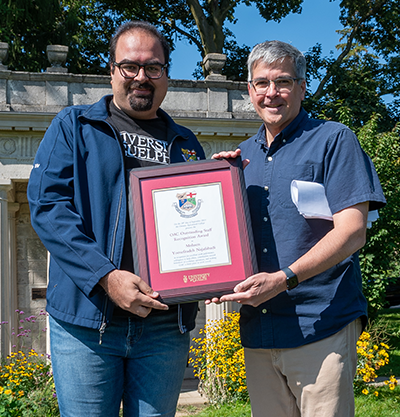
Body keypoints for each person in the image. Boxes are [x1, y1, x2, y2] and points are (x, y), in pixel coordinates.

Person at [28, 21, 205, 417]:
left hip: (164, 327)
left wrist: (227, 178)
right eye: (130, 66)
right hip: (89, 324)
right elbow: (47, 205)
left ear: (166, 75)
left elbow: (203, 217)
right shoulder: (74, 126)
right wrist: (106, 277)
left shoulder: (187, 144)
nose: (142, 77)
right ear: (112, 71)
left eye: (153, 67)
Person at [210, 40, 386, 417]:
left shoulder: (334, 140)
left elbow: (353, 231)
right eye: (261, 83)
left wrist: (284, 278)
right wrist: (214, 184)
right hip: (259, 329)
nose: (271, 93)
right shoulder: (239, 159)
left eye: (283, 82)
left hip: (319, 324)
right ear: (249, 90)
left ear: (302, 87)